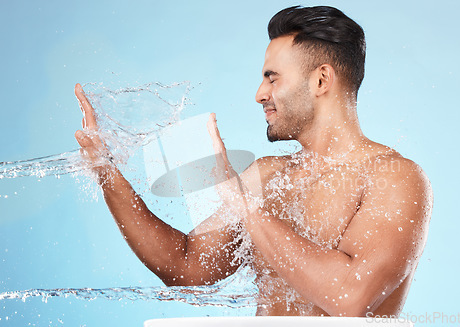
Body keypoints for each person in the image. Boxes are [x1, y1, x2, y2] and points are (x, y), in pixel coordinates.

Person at [74, 5, 432, 317]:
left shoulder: (394, 177)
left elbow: (350, 298)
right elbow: (185, 266)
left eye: (271, 78)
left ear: (321, 80)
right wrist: (106, 170)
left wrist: (245, 207)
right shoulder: (269, 175)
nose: (260, 94)